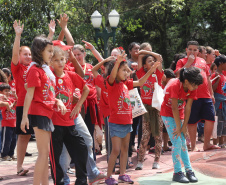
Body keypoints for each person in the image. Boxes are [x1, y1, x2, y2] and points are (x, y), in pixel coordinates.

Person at [105, 51, 160, 185]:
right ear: (116, 70)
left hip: (127, 122)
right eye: (123, 70)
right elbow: (112, 77)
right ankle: (109, 176)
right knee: (116, 150)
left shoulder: (127, 84)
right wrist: (117, 62)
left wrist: (152, 70)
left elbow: (141, 82)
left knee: (125, 150)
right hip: (116, 123)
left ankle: (123, 174)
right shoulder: (111, 83)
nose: (127, 72)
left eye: (127, 70)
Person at [20, 35, 66, 185]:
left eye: (52, 51)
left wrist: (57, 100)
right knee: (43, 154)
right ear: (40, 51)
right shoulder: (34, 70)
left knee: (45, 155)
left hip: (47, 113)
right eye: (49, 51)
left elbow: (47, 93)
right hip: (38, 113)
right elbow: (29, 94)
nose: (52, 54)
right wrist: (24, 117)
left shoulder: (44, 69)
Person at [50, 46, 89, 185]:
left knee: (82, 148)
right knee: (55, 157)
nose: (60, 63)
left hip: (69, 122)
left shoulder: (71, 75)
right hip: (54, 124)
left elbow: (86, 89)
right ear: (50, 62)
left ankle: (81, 181)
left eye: (62, 59)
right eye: (56, 60)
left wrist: (78, 106)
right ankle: (59, 182)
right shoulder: (49, 76)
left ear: (66, 60)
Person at [175, 41, 220, 151]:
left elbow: (208, 78)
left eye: (195, 50)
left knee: (211, 118)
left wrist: (212, 94)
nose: (192, 51)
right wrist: (188, 63)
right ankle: (193, 146)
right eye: (190, 49)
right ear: (186, 50)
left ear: (198, 51)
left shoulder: (202, 61)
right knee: (192, 121)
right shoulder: (182, 61)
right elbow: (177, 74)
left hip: (206, 95)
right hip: (190, 95)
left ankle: (206, 144)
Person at [161, 67, 203, 183]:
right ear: (186, 81)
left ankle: (188, 170)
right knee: (177, 141)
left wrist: (184, 126)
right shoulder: (175, 85)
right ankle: (177, 172)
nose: (196, 88)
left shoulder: (192, 87)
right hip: (168, 114)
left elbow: (188, 108)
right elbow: (174, 107)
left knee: (183, 142)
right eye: (195, 85)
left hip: (179, 114)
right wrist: (179, 128)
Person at [72, 44, 102, 160]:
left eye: (79, 54)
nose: (77, 57)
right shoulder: (71, 67)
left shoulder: (90, 67)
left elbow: (97, 84)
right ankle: (77, 159)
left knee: (89, 131)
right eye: (74, 55)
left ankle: (91, 157)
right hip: (78, 103)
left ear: (84, 54)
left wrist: (99, 98)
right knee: (77, 132)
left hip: (91, 103)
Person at [135, 51, 163, 170]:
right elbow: (140, 55)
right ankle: (140, 160)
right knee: (145, 136)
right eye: (149, 61)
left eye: (153, 60)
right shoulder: (141, 73)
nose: (152, 62)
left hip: (157, 108)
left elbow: (159, 57)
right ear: (145, 65)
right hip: (146, 109)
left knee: (158, 135)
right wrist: (144, 53)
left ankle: (156, 160)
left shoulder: (158, 73)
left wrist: (151, 54)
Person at [211, 55, 226, 147]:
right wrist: (217, 80)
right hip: (218, 104)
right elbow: (212, 89)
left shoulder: (223, 75)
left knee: (224, 123)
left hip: (224, 103)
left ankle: (222, 142)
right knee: (218, 123)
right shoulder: (215, 75)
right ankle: (216, 143)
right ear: (221, 64)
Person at [0, 83, 17, 161]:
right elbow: (7, 108)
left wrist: (15, 94)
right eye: (5, 91)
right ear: (1, 92)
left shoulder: (11, 100)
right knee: (6, 140)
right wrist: (8, 105)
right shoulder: (2, 102)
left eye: (8, 91)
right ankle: (4, 154)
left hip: (14, 123)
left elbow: (18, 101)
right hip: (6, 124)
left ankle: (11, 154)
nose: (8, 92)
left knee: (14, 140)